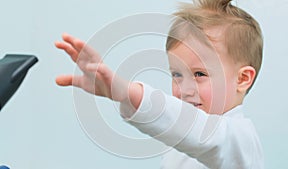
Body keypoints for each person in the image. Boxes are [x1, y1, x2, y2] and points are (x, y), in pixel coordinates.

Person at [55, 0, 264, 168]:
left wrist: (128, 93)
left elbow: (201, 134)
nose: (184, 89)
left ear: (243, 79)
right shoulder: (180, 143)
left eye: (199, 74)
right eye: (177, 74)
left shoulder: (240, 138)